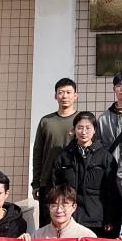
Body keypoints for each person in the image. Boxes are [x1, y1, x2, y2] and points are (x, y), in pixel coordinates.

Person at [50, 111, 120, 237]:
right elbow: (55, 188)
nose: (83, 132)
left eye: (88, 128)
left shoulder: (105, 157)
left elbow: (112, 191)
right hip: (70, 219)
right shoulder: (63, 157)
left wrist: (110, 218)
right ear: (74, 130)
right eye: (80, 127)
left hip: (97, 220)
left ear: (94, 131)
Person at [31, 78, 78, 226]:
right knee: (47, 224)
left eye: (69, 92)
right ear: (55, 96)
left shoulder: (81, 121)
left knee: (72, 225)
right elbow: (38, 153)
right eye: (61, 92)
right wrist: (36, 182)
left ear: (75, 95)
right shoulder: (46, 121)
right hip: (48, 181)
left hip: (73, 181)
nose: (65, 96)